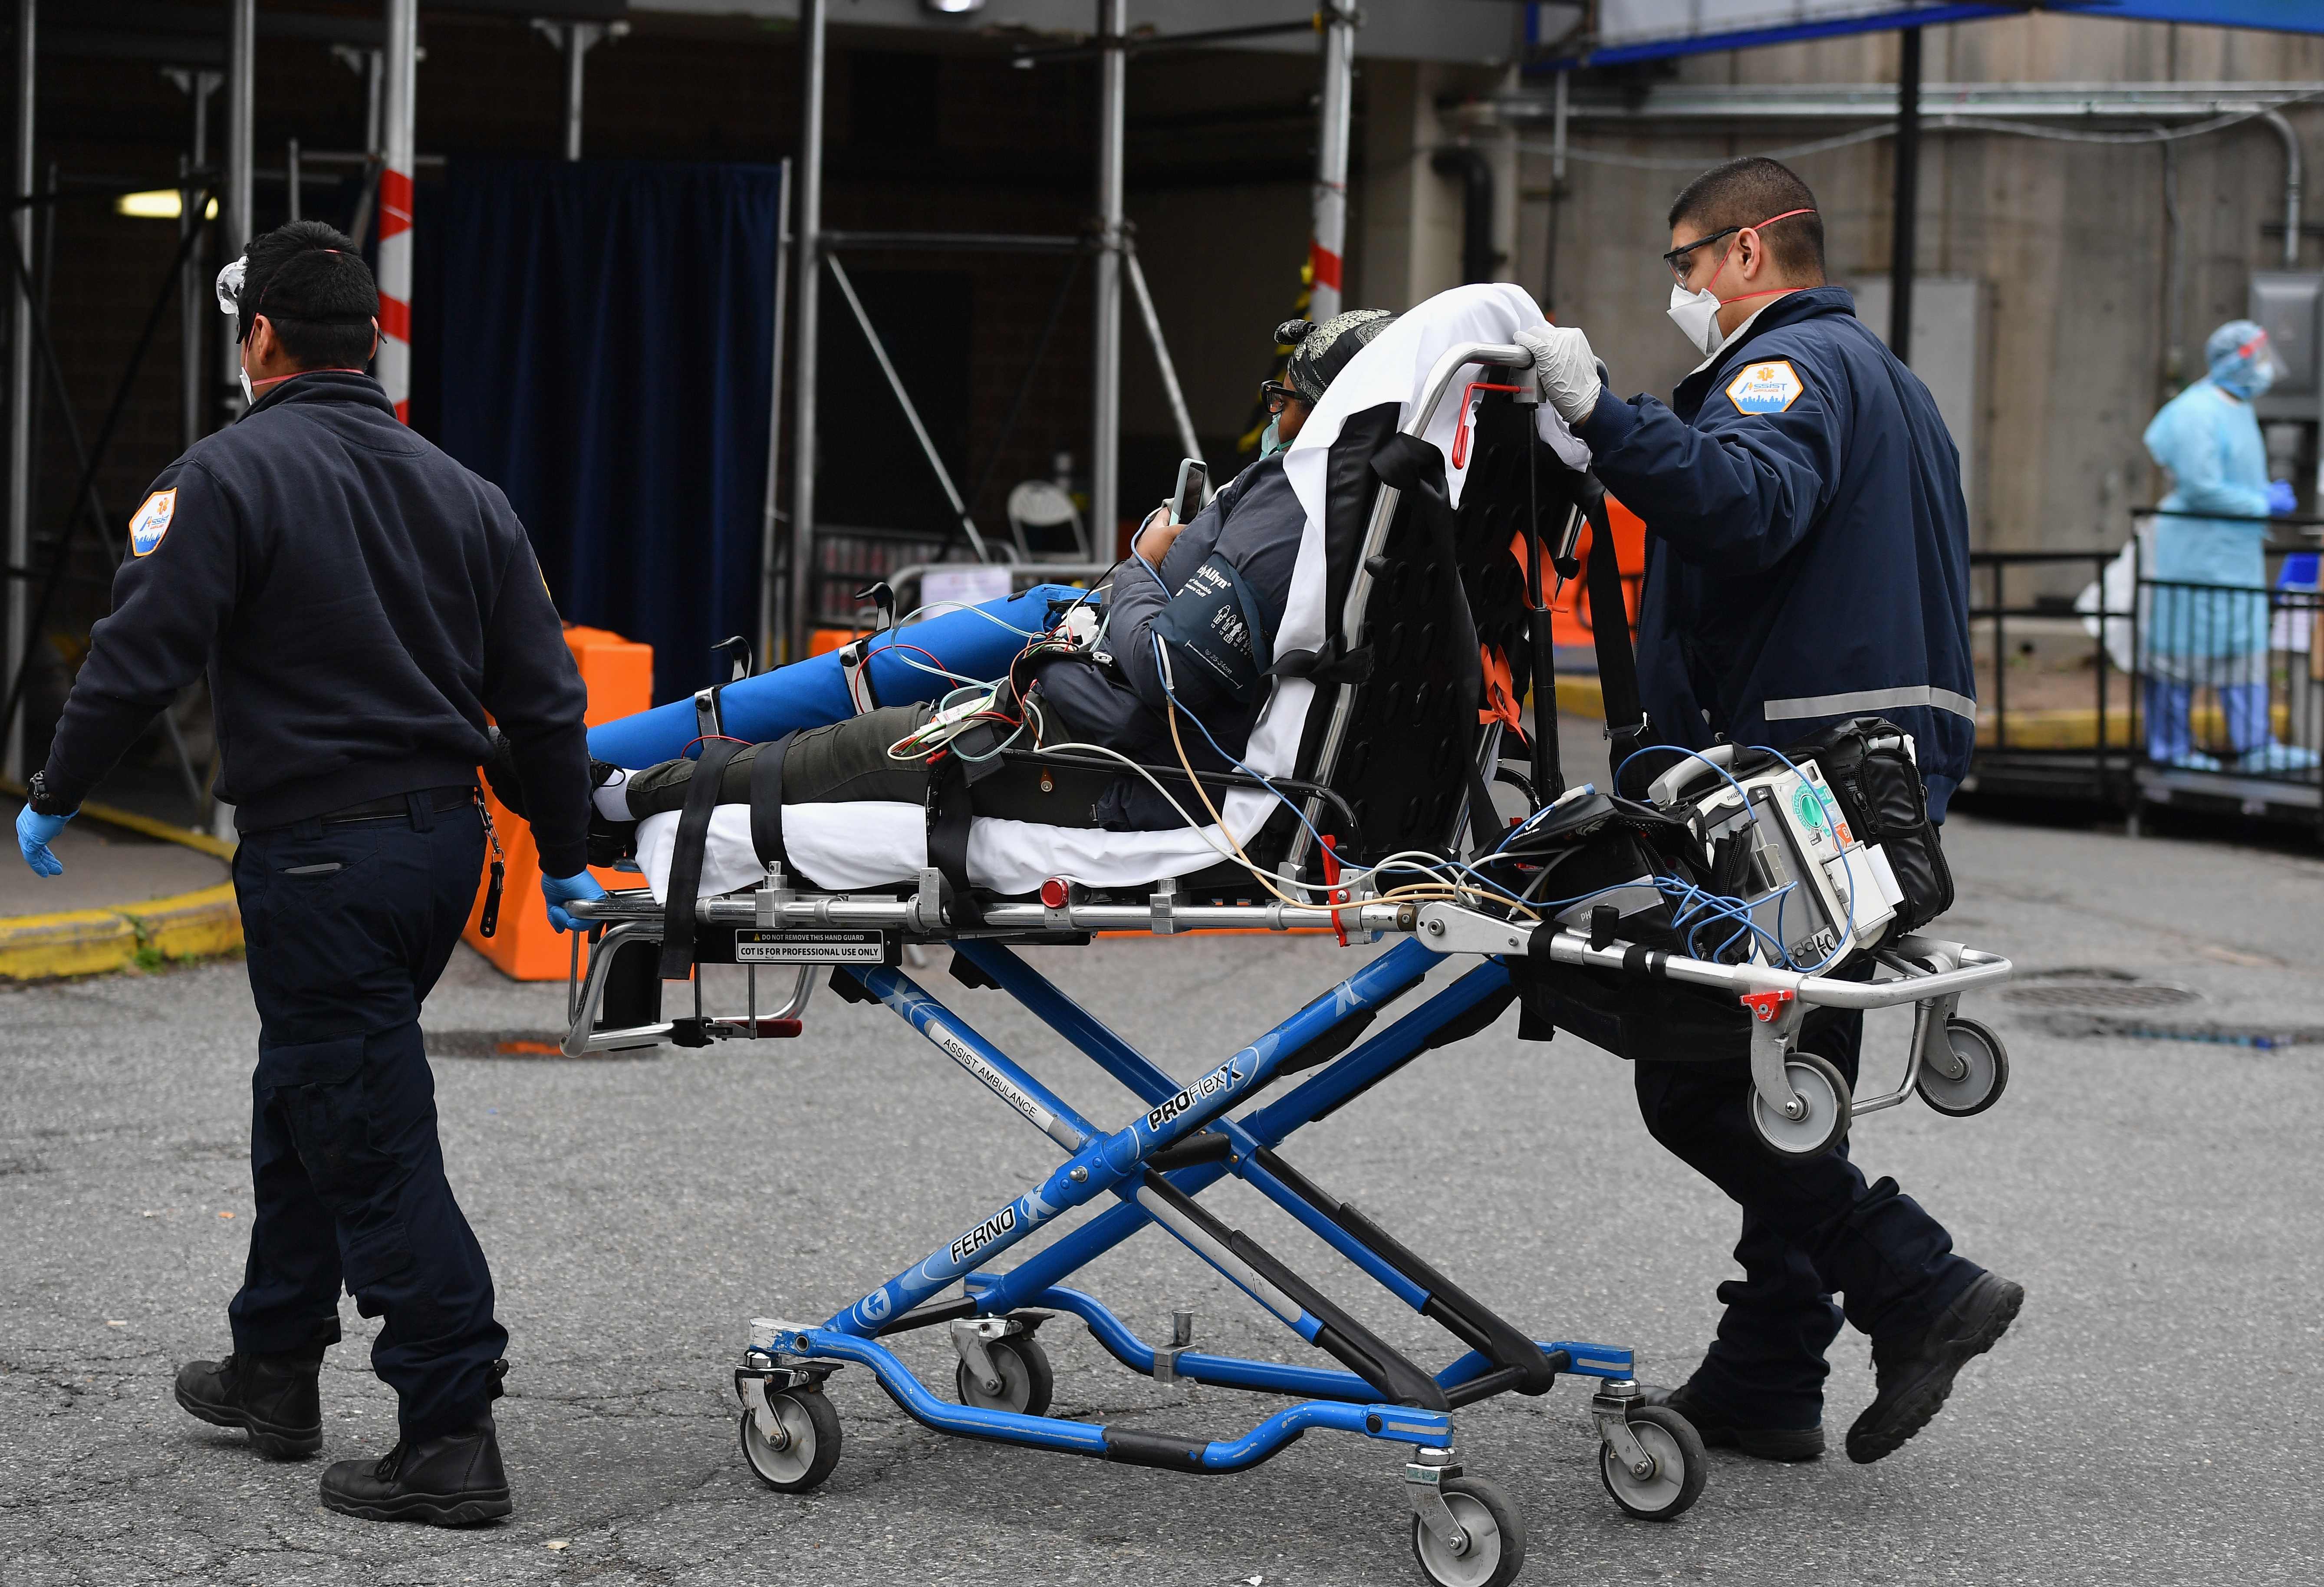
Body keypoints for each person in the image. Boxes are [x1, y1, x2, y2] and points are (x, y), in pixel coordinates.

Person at [12, 221, 599, 1524]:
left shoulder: (223, 479)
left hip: (319, 856)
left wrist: (56, 791)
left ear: (262, 338)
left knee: (368, 1136)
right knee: (309, 1089)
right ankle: (275, 1362)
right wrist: (562, 858)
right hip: (437, 849)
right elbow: (548, 703)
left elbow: (138, 650)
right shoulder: (468, 493)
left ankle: (450, 1430)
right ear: (370, 342)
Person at [1517, 157, 2021, 1465]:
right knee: (1784, 1069)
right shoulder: (1890, 384)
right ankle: (1768, 1371)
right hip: (1877, 773)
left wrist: (1603, 416)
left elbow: (1743, 506)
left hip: (1803, 777)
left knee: (1691, 1082)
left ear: (1746, 252)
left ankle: (1911, 1280)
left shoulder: (1779, 370)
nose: (1679, 290)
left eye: (1683, 263)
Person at [601, 311, 1398, 833]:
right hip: (1090, 686)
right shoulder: (1371, 508)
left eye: (1283, 398)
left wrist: (1141, 567)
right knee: (884, 679)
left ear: (1329, 412)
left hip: (1106, 752)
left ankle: (613, 792)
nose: (1272, 415)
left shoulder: (1296, 504)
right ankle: (598, 758)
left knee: (865, 745)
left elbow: (1166, 670)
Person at [2140, 320, 2316, 773]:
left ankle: (2255, 743)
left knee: (2241, 645)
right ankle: (2170, 747)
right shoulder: (2194, 411)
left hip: (2232, 551)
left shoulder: (2235, 406)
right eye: (2256, 357)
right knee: (2181, 646)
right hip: (2196, 552)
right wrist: (2260, 501)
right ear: (2236, 359)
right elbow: (2201, 488)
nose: (2263, 368)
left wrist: (2258, 499)